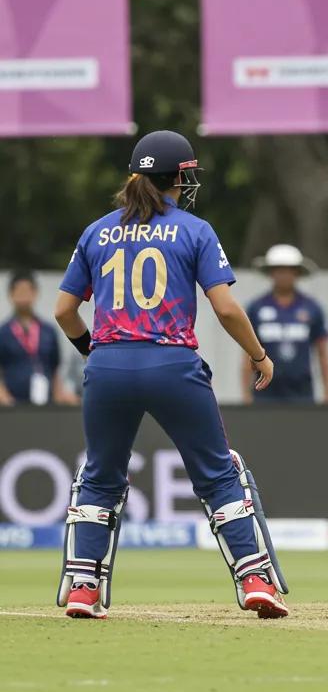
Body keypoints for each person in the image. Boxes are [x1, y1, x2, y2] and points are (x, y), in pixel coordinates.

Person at [53, 130, 288, 620]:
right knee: (218, 472)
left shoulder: (97, 231)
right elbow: (225, 310)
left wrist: (94, 352)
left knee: (100, 477)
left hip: (109, 365)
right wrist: (258, 354)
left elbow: (64, 311)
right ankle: (253, 579)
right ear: (180, 176)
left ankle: (82, 588)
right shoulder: (194, 230)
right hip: (172, 364)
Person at [243, 244, 328, 404]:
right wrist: (246, 395)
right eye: (278, 270)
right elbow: (247, 354)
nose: (283, 275)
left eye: (288, 270)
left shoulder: (312, 308)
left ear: (297, 272)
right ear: (271, 273)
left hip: (302, 392)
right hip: (264, 392)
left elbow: (323, 353)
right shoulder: (256, 308)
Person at [0, 271, 76, 406]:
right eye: (19, 291)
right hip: (12, 405)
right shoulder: (3, 332)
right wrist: (5, 399)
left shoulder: (48, 331)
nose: (23, 296)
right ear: (10, 294)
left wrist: (60, 396)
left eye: (27, 291)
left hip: (46, 404)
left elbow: (55, 369)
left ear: (35, 293)